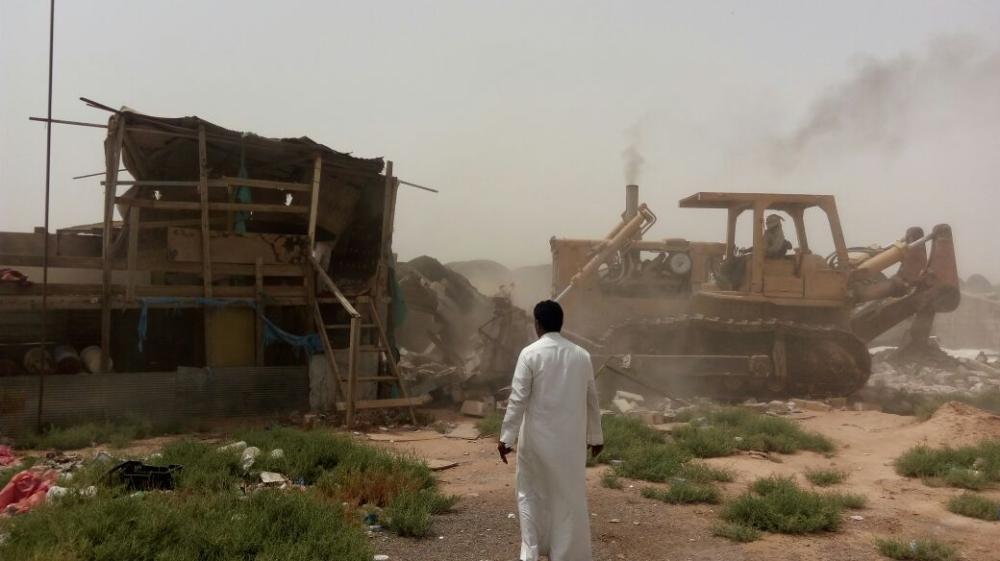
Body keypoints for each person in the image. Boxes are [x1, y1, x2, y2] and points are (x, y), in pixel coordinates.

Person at [498, 300, 604, 561]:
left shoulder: (530, 354)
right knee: (568, 498)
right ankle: (566, 554)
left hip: (536, 443)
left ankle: (531, 552)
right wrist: (596, 436)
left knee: (530, 495)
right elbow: (591, 399)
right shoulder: (581, 355)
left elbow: (518, 399)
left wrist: (506, 438)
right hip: (570, 443)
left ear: (537, 324)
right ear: (561, 323)